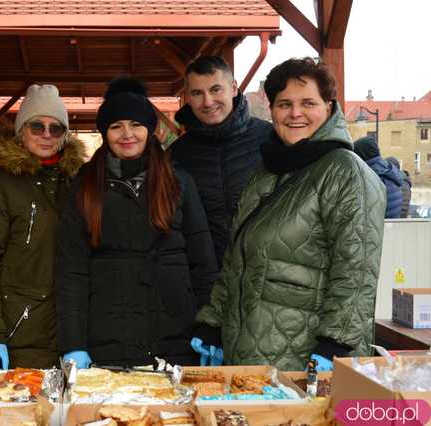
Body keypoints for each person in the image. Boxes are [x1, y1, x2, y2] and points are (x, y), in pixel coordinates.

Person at [196, 58, 386, 371]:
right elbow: (236, 258)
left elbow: (356, 270)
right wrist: (213, 322)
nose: (295, 113)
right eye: (284, 104)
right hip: (248, 350)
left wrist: (335, 345)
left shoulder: (345, 172)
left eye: (308, 102)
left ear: (328, 106)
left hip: (305, 359)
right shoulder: (267, 172)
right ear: (271, 110)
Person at [56, 78, 218, 368]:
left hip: (174, 336)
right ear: (105, 132)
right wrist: (74, 343)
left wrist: (208, 325)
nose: (127, 134)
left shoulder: (177, 180)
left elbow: (202, 263)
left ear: (149, 129)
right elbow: (72, 270)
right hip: (106, 337)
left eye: (135, 124)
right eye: (116, 126)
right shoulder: (86, 184)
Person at [0, 84, 85, 370]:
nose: (47, 135)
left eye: (55, 128)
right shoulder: (0, 183)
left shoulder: (78, 182)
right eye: (37, 126)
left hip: (71, 332)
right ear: (21, 131)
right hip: (18, 333)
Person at [169, 56, 271, 364]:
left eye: (216, 90)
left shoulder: (269, 140)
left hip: (263, 289)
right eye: (197, 93)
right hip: (203, 292)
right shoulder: (178, 154)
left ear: (234, 88)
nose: (208, 101)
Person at [354, 137, 403, 219]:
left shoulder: (372, 176)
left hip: (380, 228)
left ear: (362, 155)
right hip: (391, 226)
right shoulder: (387, 169)